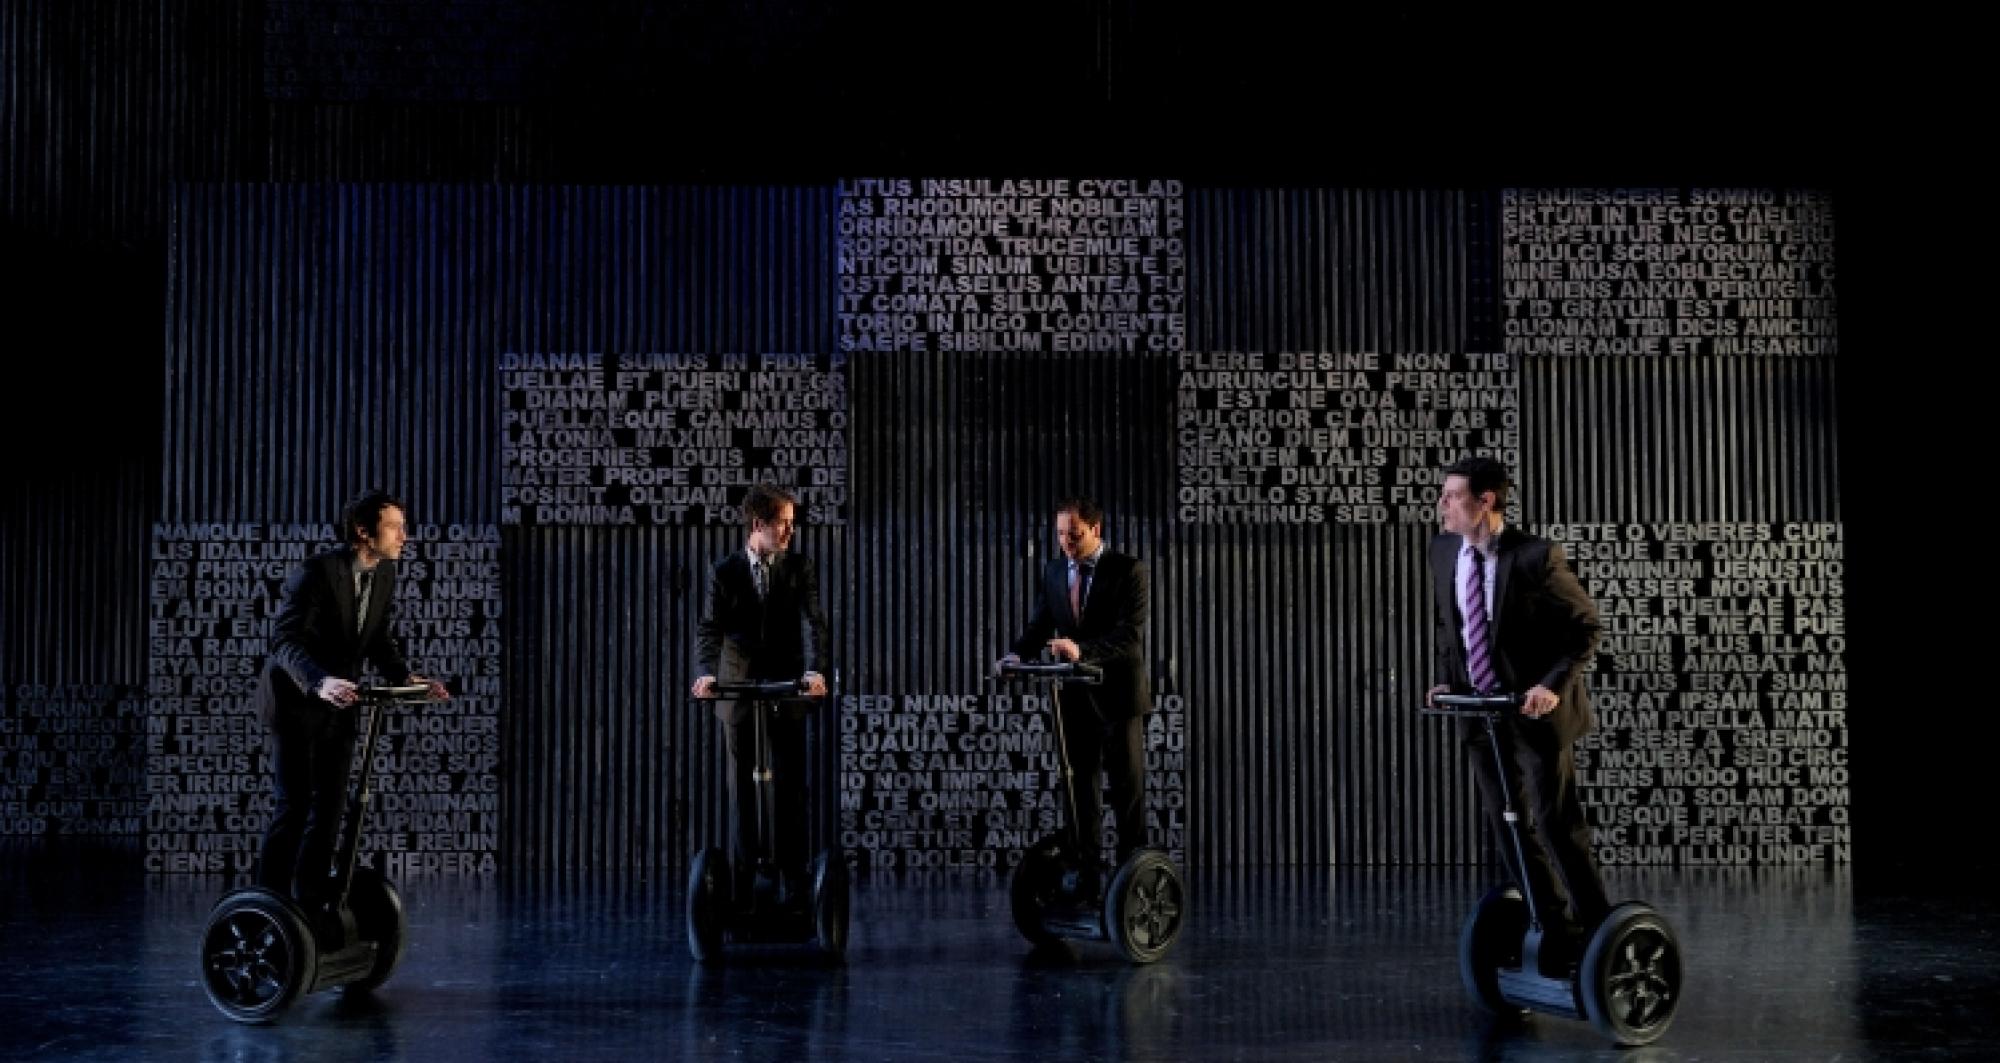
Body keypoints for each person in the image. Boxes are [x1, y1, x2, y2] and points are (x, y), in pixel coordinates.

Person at [1427, 455, 1609, 973]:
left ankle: (1599, 931)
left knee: (1554, 823)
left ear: (1485, 501)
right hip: (1483, 712)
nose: (1442, 505)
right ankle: (1553, 928)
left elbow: (1585, 628)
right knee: (1507, 823)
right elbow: (1454, 628)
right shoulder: (1444, 551)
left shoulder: (1535, 557)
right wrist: (1451, 682)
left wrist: (1551, 687)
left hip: (1535, 712)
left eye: (1452, 496)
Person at [255, 489, 448, 909]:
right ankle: (266, 904)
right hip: (297, 700)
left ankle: (310, 903)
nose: (404, 537)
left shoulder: (384, 573)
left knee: (331, 808)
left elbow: (376, 639)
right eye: (394, 527)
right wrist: (319, 682)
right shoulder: (317, 572)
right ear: (364, 532)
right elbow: (284, 641)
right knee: (295, 805)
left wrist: (407, 679)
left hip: (342, 703)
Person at [995, 496, 1152, 878]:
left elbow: (1129, 635)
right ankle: (1086, 869)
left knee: (1126, 789)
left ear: (1096, 529)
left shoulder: (1128, 570)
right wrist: (1015, 655)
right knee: (1079, 784)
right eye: (1061, 534)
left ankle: (1133, 876)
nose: (1066, 542)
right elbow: (1039, 625)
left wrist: (1082, 650)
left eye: (1075, 534)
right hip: (1074, 696)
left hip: (1118, 696)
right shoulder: (1053, 571)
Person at [693, 484, 830, 904]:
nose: (790, 531)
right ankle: (743, 880)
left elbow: (812, 622)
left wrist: (814, 671)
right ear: (759, 524)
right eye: (783, 523)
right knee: (742, 789)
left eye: (791, 523)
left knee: (790, 787)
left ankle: (794, 878)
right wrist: (706, 675)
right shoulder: (725, 571)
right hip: (738, 688)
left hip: (786, 687)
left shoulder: (799, 568)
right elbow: (710, 629)